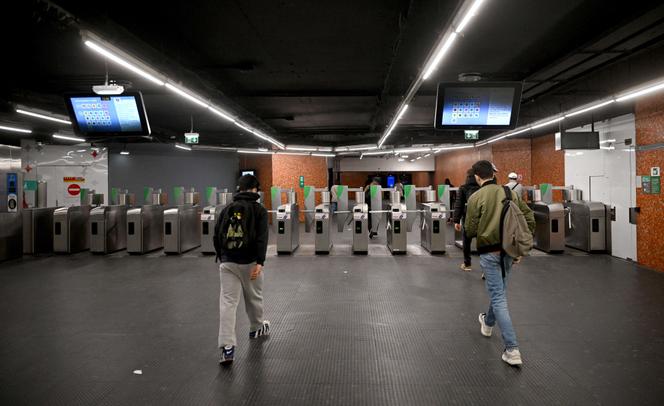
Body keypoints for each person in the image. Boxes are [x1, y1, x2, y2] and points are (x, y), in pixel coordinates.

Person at [464, 160, 535, 366]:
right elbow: (528, 218)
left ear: (477, 177)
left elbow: (470, 229)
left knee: (498, 298)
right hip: (508, 252)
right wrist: (520, 246)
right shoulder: (509, 193)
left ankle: (512, 349)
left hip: (489, 252)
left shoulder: (476, 196)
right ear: (493, 175)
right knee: (500, 292)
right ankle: (487, 323)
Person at [214, 174, 270, 366]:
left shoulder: (227, 209)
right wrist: (260, 262)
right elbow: (262, 238)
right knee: (254, 296)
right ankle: (256, 327)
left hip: (227, 263)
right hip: (250, 262)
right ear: (255, 190)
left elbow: (216, 234)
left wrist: (223, 258)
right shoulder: (259, 210)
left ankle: (227, 348)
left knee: (228, 304)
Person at [453, 169, 480, 272]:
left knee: (466, 242)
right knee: (482, 243)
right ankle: (485, 269)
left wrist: (456, 220)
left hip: (467, 219)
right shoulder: (482, 188)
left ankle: (467, 264)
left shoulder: (464, 188)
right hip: (481, 219)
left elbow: (458, 204)